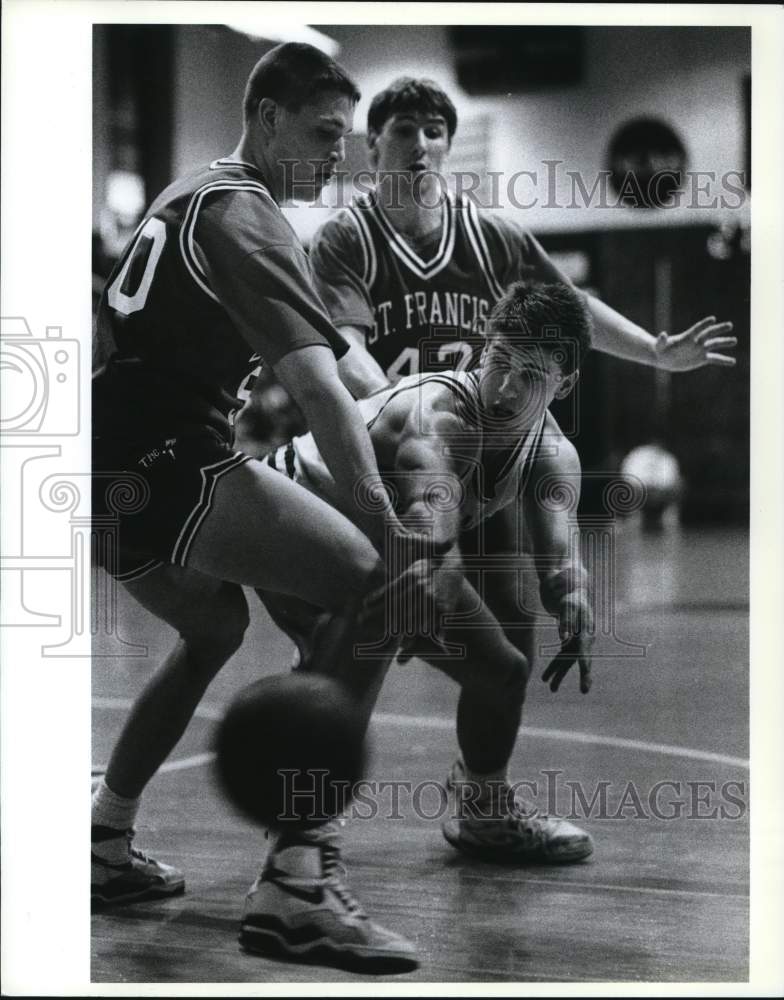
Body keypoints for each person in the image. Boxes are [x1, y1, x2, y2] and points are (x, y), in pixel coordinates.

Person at [91, 43, 429, 973]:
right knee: (368, 584)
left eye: (345, 141)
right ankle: (297, 884)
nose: (337, 157)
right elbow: (320, 392)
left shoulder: (190, 193)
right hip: (164, 457)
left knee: (213, 629)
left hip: (100, 466)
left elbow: (341, 370)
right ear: (267, 117)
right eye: (324, 135)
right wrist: (388, 530)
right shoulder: (248, 213)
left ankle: (104, 837)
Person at [249, 280, 595, 891]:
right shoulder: (439, 412)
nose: (508, 387)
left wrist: (572, 596)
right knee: (361, 651)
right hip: (289, 509)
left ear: (564, 385)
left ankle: (484, 810)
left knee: (502, 672)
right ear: (482, 349)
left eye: (532, 374)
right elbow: (428, 500)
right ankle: (298, 853)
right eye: (501, 361)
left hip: (379, 539)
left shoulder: (553, 454)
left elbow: (558, 553)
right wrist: (437, 561)